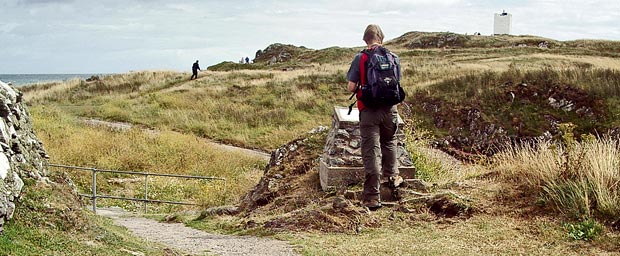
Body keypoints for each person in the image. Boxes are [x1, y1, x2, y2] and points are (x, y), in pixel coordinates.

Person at [346, 24, 403, 210]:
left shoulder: (361, 58)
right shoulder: (393, 57)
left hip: (369, 111)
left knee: (371, 151)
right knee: (389, 143)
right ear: (382, 38)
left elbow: (351, 87)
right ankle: (393, 181)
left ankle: (372, 197)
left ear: (365, 39)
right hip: (390, 110)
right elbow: (396, 82)